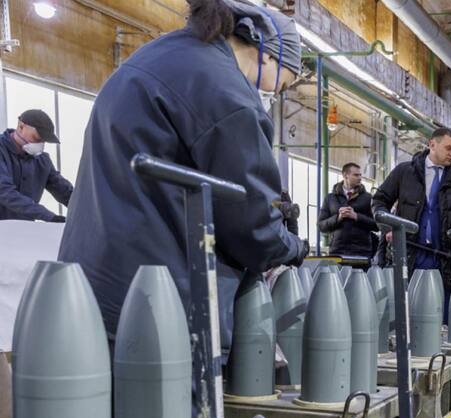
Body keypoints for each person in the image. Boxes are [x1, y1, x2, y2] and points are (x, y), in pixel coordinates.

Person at [59, 0, 308, 348]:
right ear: (267, 53)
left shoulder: (157, 57)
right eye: (282, 86)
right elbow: (250, 226)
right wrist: (293, 247)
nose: (274, 95)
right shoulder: (226, 91)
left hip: (89, 291)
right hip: (165, 307)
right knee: (172, 402)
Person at [371, 127, 451, 287]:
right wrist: (388, 227)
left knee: (440, 308)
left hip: (443, 258)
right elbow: (379, 201)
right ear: (432, 144)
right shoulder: (405, 172)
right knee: (405, 307)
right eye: (448, 148)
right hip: (408, 253)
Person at [0, 109, 72, 222]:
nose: (39, 144)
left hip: (24, 231)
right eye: (36, 138)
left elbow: (64, 191)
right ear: (21, 126)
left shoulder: (42, 161)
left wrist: (89, 208)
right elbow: (4, 192)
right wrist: (49, 217)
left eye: (43, 141)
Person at [318, 162, 377, 259]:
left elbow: (377, 225)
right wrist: (338, 217)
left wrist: (356, 216)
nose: (360, 178)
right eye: (356, 175)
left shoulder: (369, 198)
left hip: (362, 252)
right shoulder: (330, 198)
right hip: (337, 251)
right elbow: (321, 226)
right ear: (345, 176)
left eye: (360, 175)